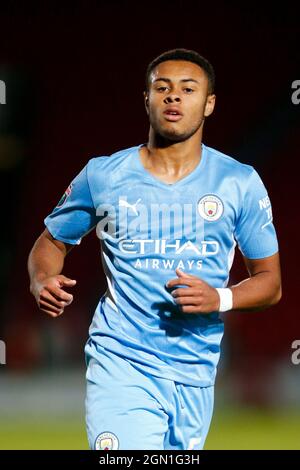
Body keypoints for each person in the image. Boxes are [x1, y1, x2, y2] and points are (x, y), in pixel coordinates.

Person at [28, 48, 282, 450]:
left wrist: (220, 297)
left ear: (209, 103)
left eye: (187, 88)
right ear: (146, 99)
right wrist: (42, 278)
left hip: (196, 372)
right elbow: (51, 241)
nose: (173, 97)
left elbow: (270, 283)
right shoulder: (103, 176)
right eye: (161, 88)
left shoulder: (239, 183)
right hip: (121, 362)